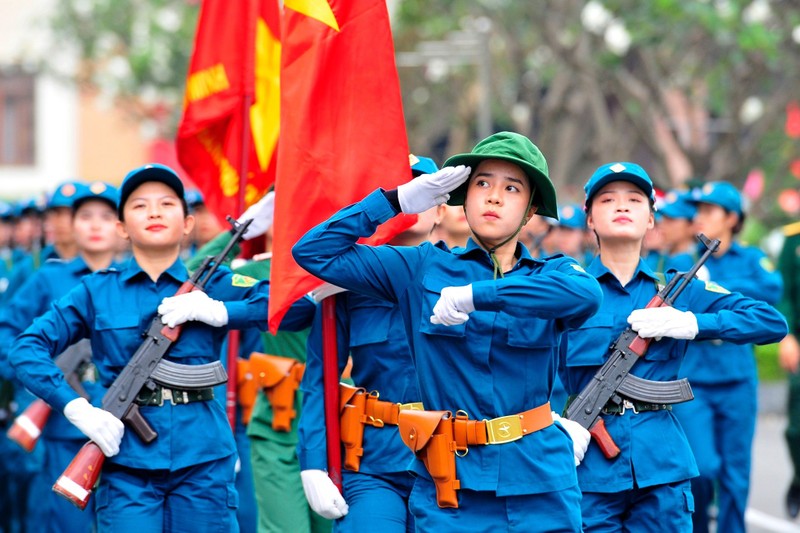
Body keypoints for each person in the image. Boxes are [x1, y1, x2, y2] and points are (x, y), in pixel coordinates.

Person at [293, 131, 603, 531]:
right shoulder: (419, 268)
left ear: (529, 212)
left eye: (512, 188)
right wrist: (397, 202)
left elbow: (586, 294)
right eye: (482, 184)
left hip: (538, 479)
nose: (494, 197)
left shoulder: (553, 274)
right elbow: (313, 251)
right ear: (463, 196)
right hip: (450, 486)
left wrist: (478, 295)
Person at [8, 163, 315, 531]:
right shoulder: (96, 290)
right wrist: (75, 407)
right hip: (126, 465)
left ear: (187, 223)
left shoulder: (215, 283)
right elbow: (26, 347)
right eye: (139, 205)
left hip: (203, 459)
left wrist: (221, 310)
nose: (154, 211)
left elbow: (299, 307)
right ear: (122, 228)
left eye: (167, 203)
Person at [560, 164, 787, 532]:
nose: (622, 206)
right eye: (607, 199)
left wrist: (693, 323)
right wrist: (552, 425)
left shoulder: (678, 289)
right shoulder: (567, 289)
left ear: (651, 220)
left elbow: (770, 321)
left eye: (634, 200)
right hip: (587, 466)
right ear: (589, 218)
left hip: (661, 468)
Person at [298, 156, 444, 532]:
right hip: (374, 462)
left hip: (453, 456)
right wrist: (313, 461)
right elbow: (321, 378)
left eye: (422, 192)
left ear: (441, 210)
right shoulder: (346, 287)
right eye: (401, 192)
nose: (413, 203)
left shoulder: (463, 274)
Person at [0, 181, 120, 532]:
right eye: (83, 216)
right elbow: (8, 335)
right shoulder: (48, 277)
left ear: (122, 226)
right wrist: (39, 378)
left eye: (106, 216)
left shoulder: (134, 281)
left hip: (122, 422)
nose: (95, 225)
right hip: (62, 423)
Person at [673, 181, 783, 533]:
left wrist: (715, 286)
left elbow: (771, 291)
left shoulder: (751, 259)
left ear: (732, 218)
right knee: (702, 468)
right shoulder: (681, 260)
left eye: (708, 211)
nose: (698, 217)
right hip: (693, 382)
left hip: (736, 379)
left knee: (736, 473)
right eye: (697, 211)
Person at [777, 217, 800, 519]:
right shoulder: (792, 238)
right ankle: (799, 478)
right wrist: (788, 336)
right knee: (797, 429)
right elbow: (782, 293)